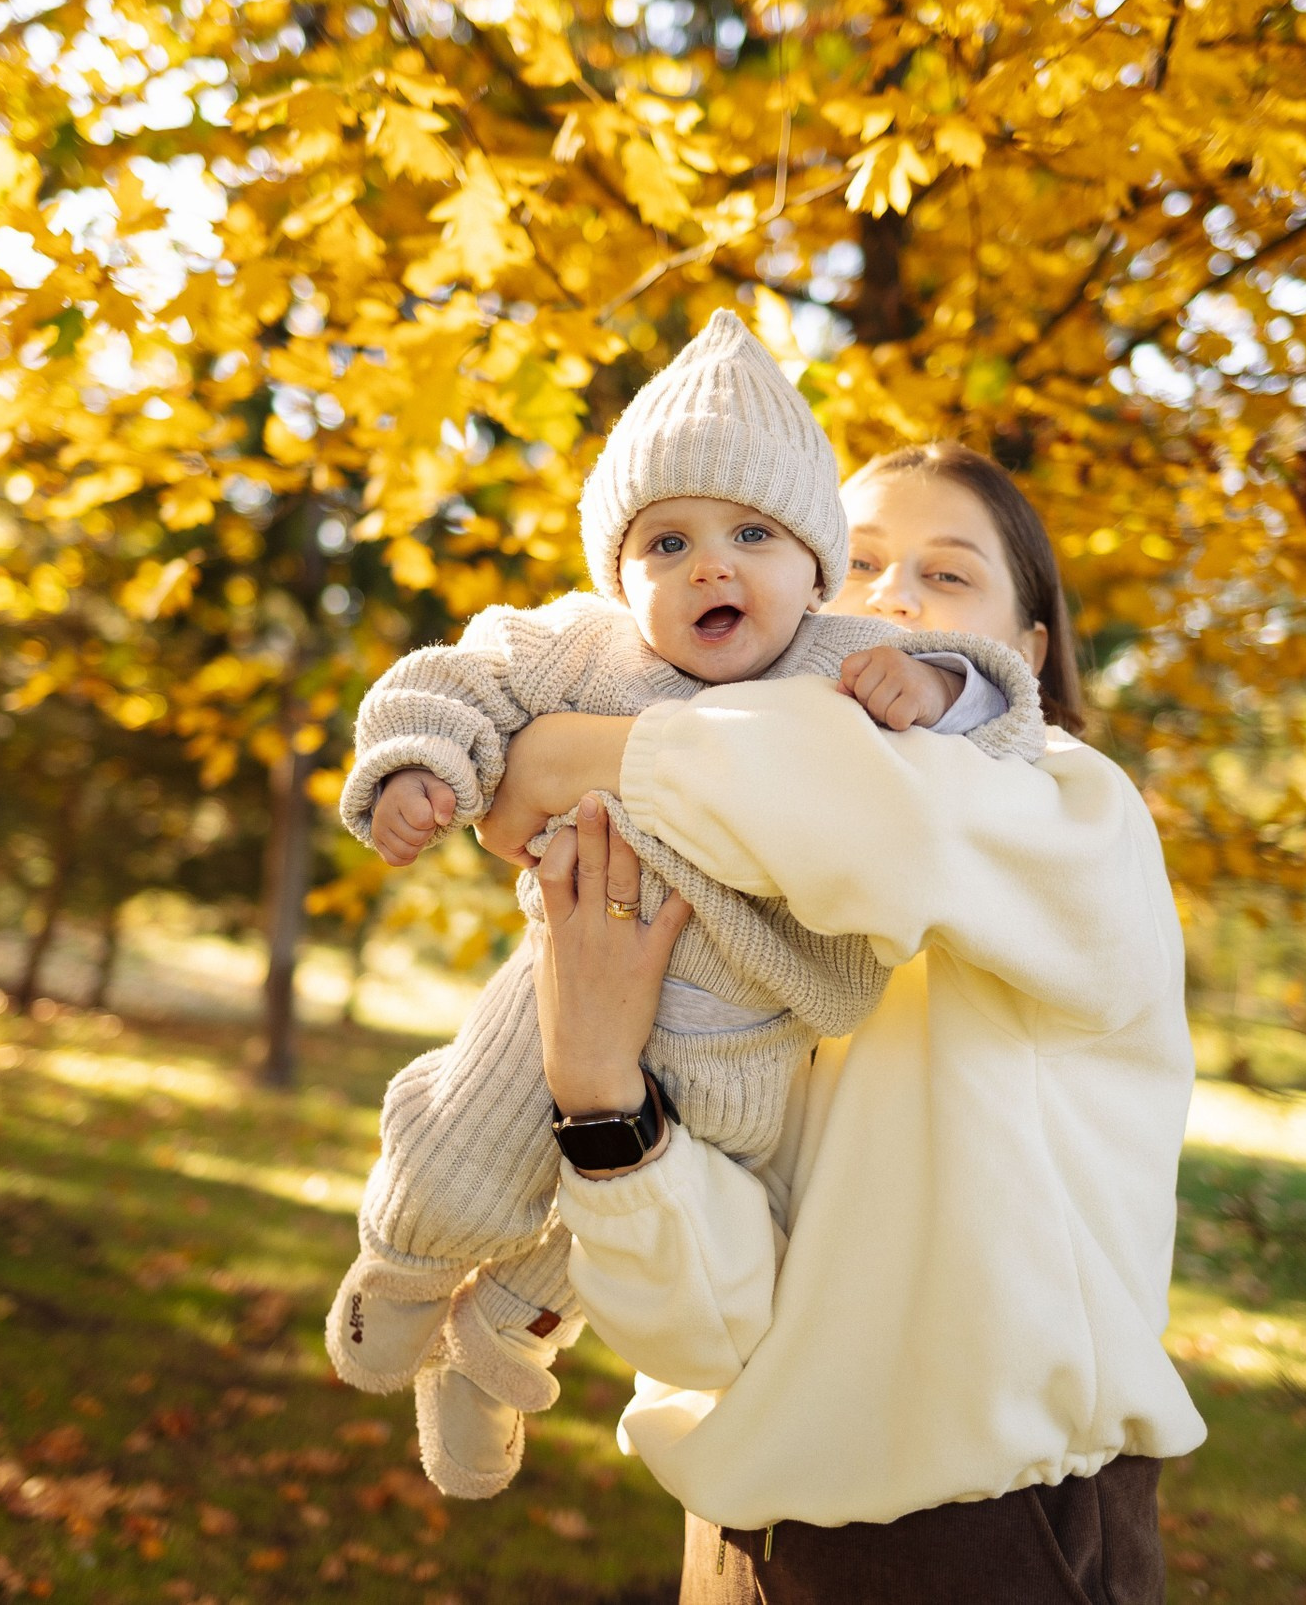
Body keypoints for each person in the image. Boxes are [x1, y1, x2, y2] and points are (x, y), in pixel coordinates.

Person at [323, 321, 1049, 1498]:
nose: (714, 566)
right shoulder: (586, 648)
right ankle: (402, 1269)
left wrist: (935, 680)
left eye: (753, 535)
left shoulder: (842, 658)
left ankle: (497, 1343)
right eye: (669, 541)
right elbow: (452, 677)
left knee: (630, 1226)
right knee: (467, 1158)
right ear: (619, 574)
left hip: (750, 1023)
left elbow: (1004, 710)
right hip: (574, 967)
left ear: (813, 570)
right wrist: (421, 769)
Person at [483, 442, 1204, 1603]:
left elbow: (891, 825)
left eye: (949, 575)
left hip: (990, 1535)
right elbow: (705, 1332)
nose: (892, 597)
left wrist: (577, 748)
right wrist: (599, 1084)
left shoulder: (1075, 810)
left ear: (1020, 656)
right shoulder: (734, 900)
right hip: (742, 1543)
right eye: (855, 562)